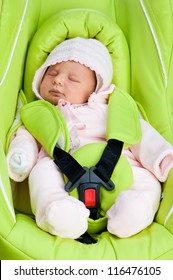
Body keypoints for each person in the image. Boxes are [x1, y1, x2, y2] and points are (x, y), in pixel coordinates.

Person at [7, 37, 173, 239]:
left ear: (96, 88)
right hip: (63, 173)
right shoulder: (41, 115)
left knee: (147, 180)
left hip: (120, 167)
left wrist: (161, 155)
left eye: (73, 79)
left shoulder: (110, 110)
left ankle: (133, 212)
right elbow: (25, 137)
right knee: (42, 173)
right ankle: (59, 213)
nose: (58, 80)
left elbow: (138, 132)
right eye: (52, 73)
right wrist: (21, 157)